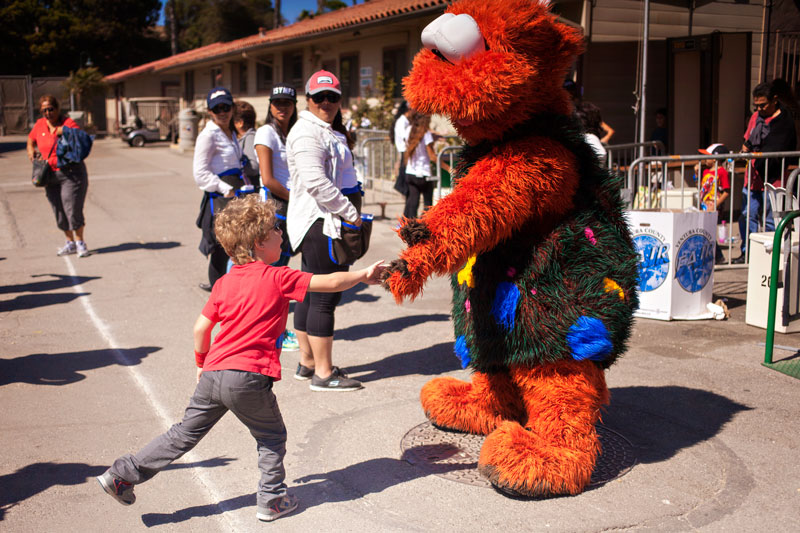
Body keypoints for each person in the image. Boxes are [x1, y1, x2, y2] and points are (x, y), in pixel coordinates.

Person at [96, 195, 385, 522]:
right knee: (272, 437)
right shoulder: (278, 276)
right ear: (261, 242)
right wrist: (364, 275)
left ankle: (121, 475)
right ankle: (272, 499)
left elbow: (200, 329)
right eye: (277, 229)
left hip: (214, 373)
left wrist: (201, 364)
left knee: (182, 434)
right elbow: (329, 282)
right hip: (248, 376)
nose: (281, 234)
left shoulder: (224, 282)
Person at [286, 70, 365, 391]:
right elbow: (316, 182)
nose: (326, 102)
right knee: (325, 297)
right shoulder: (307, 133)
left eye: (332, 96)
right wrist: (350, 213)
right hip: (322, 223)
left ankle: (307, 363)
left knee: (311, 292)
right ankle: (323, 372)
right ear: (308, 100)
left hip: (325, 221)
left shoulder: (325, 129)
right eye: (320, 97)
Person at [254, 83, 300, 352]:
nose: (282, 107)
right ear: (270, 105)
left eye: (288, 103)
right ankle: (272, 331)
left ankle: (274, 329)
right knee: (273, 272)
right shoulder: (266, 132)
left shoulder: (292, 132)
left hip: (290, 206)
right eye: (277, 103)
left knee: (280, 272)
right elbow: (268, 179)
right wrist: (298, 202)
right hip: (277, 208)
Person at [193, 87, 252, 291]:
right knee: (222, 246)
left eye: (225, 107)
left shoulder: (231, 132)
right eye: (217, 109)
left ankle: (230, 291)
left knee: (236, 244)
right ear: (210, 111)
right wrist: (223, 188)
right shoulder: (208, 135)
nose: (222, 112)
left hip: (236, 192)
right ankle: (218, 294)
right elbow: (199, 172)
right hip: (221, 196)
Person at [735, 81, 798, 263]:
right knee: (748, 216)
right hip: (753, 177)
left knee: (772, 220)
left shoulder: (784, 121)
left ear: (775, 100)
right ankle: (747, 252)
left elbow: (782, 146)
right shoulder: (756, 118)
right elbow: (747, 141)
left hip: (774, 179)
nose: (760, 109)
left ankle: (770, 255)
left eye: (763, 105)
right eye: (757, 106)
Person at [27, 95, 91, 257]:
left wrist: (65, 131)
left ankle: (80, 242)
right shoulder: (40, 125)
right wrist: (30, 149)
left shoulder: (67, 123)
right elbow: (31, 138)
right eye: (44, 111)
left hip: (71, 173)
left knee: (72, 208)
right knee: (59, 210)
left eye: (50, 109)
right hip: (50, 174)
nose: (47, 113)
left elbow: (82, 138)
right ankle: (69, 242)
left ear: (57, 109)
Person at [402, 111, 451, 219]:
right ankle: (426, 226)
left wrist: (435, 137)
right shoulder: (425, 134)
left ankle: (410, 226)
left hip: (410, 172)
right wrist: (448, 168)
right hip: (423, 173)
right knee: (428, 204)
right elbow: (432, 157)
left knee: (413, 202)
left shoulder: (409, 130)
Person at [696, 143, 732, 263]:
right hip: (704, 204)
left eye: (708, 156)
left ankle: (718, 256)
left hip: (714, 205)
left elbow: (726, 191)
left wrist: (716, 204)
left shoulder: (722, 172)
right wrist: (696, 173)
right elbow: (701, 186)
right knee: (703, 229)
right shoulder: (706, 171)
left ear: (715, 158)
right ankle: (713, 256)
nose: (705, 159)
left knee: (709, 230)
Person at [233, 100, 260, 188]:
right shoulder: (242, 138)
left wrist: (233, 169)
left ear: (240, 123)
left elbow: (253, 167)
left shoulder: (250, 138)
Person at [390, 100, 411, 197]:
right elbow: (405, 136)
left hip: (406, 149)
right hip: (404, 149)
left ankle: (404, 189)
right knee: (404, 171)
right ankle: (402, 188)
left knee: (405, 170)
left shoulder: (406, 121)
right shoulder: (402, 121)